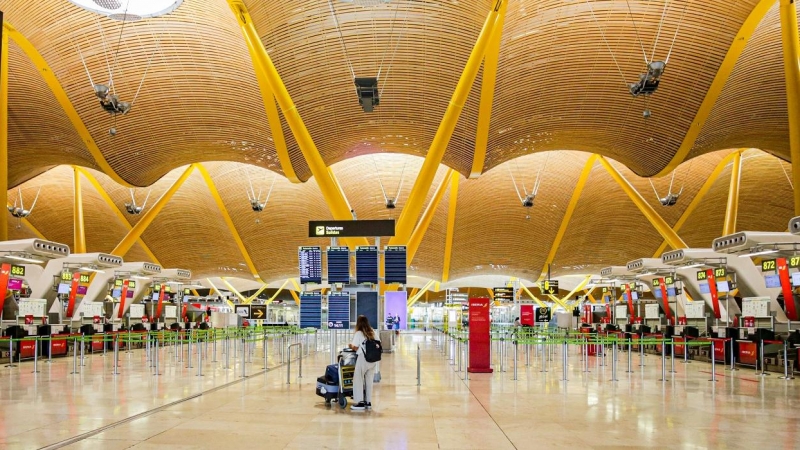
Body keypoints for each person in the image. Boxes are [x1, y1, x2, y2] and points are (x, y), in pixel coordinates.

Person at [349, 315, 377, 411]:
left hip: (363, 358)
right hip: (373, 359)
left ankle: (360, 402)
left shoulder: (359, 333)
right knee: (369, 380)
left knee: (358, 378)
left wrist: (350, 345)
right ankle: (368, 402)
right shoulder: (372, 331)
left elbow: (355, 347)